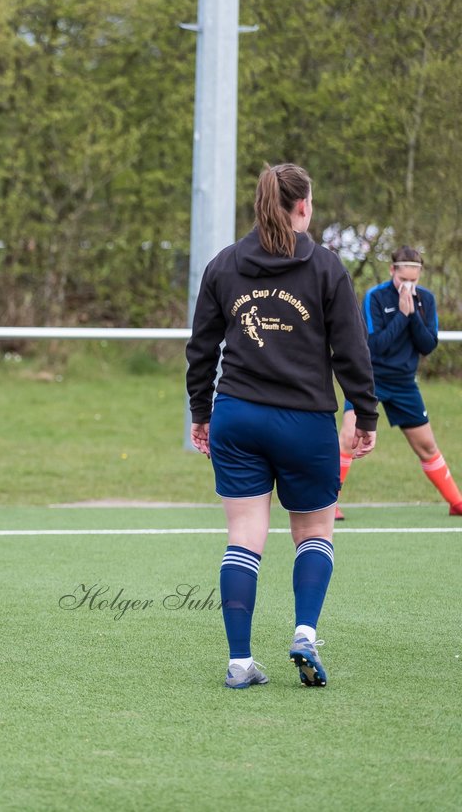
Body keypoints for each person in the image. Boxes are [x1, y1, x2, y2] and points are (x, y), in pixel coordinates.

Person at [187, 163, 378, 689]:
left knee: (244, 535)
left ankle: (239, 662)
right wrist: (365, 412)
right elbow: (351, 351)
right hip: (304, 422)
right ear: (303, 207)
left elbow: (201, 350)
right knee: (313, 532)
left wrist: (201, 413)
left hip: (237, 416)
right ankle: (304, 634)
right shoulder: (326, 267)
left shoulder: (224, 265)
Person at [334, 246, 461, 518]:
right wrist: (402, 316)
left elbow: (427, 345)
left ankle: (456, 502)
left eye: (414, 281)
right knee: (348, 436)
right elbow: (375, 346)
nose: (408, 286)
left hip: (404, 383)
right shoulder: (375, 297)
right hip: (371, 380)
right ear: (393, 271)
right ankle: (329, 502)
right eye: (404, 280)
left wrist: (412, 314)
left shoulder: (425, 300)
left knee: (427, 445)